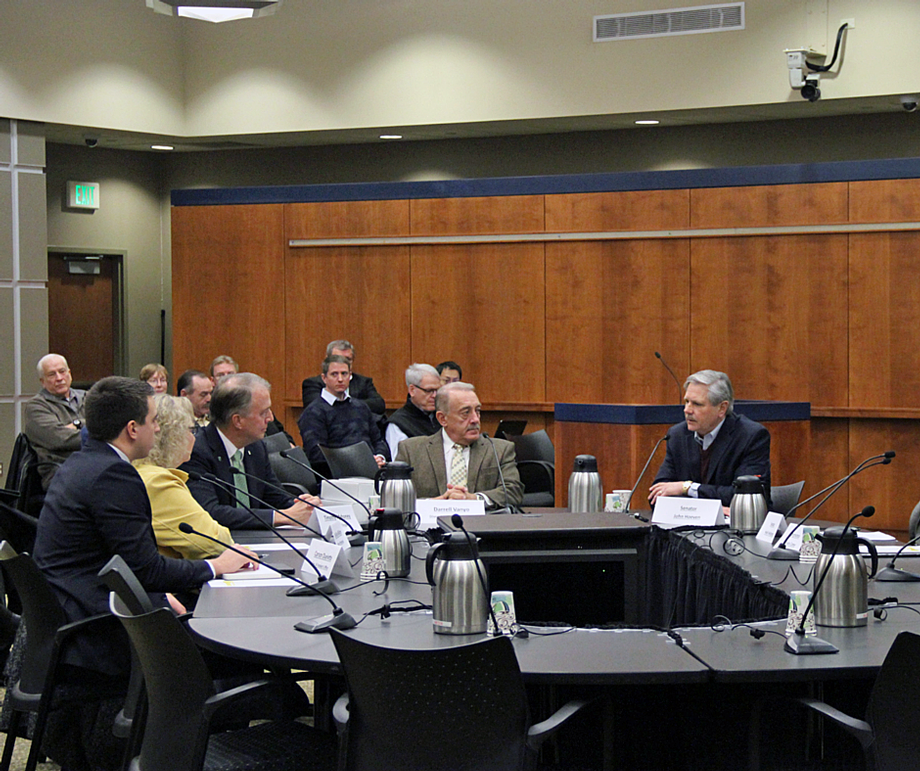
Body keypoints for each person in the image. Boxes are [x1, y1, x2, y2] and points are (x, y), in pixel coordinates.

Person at [33, 377, 254, 680]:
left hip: (73, 616)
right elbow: (146, 570)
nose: (159, 429)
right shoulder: (114, 476)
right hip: (99, 634)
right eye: (153, 421)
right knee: (236, 647)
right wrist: (216, 566)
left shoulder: (80, 463)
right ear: (133, 429)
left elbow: (128, 563)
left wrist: (162, 595)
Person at [181, 373, 319, 529]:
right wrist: (282, 516)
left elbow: (274, 496)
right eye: (263, 412)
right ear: (238, 421)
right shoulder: (197, 452)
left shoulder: (255, 447)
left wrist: (303, 506)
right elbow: (211, 512)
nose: (271, 418)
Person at [649, 369, 771, 508]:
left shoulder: (750, 436)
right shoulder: (677, 435)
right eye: (687, 402)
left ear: (721, 408)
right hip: (687, 527)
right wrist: (707, 507)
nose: (687, 410)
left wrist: (688, 488)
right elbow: (658, 495)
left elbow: (746, 496)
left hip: (736, 528)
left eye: (697, 404)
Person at [134, 393, 235, 560]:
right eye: (191, 429)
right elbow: (216, 542)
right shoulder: (158, 482)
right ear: (172, 435)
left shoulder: (140, 470)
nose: (194, 437)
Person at [395, 382, 523, 510]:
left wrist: (474, 500)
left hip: (482, 526)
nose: (475, 419)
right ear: (442, 419)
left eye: (477, 411)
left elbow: (513, 491)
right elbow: (396, 500)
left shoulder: (500, 449)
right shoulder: (411, 450)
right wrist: (434, 504)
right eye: (465, 413)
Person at [299, 355, 389, 468]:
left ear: (350, 376)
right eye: (334, 374)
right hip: (337, 477)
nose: (340, 379)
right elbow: (317, 455)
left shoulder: (361, 407)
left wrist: (380, 457)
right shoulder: (313, 412)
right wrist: (360, 462)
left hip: (371, 471)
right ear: (324, 378)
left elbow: (378, 440)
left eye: (344, 374)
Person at [23, 353, 86, 490]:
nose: (59, 378)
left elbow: (107, 424)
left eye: (62, 372)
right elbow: (60, 439)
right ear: (43, 381)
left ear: (69, 373)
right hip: (61, 471)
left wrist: (78, 424)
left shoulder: (88, 397)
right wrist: (98, 435)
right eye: (52, 374)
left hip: (94, 464)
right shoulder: (36, 406)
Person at [301, 340, 387, 431]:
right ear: (327, 359)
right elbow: (316, 409)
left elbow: (379, 404)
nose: (342, 362)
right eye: (337, 358)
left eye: (348, 359)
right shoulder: (313, 384)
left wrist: (348, 405)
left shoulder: (363, 382)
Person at [209, 353, 293, 445]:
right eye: (221, 375)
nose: (226, 378)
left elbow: (278, 432)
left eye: (230, 374)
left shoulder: (256, 404)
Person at [385, 363, 440, 459]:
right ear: (412, 390)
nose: (434, 395)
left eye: (437, 390)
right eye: (429, 390)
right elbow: (400, 463)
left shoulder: (443, 416)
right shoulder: (398, 424)